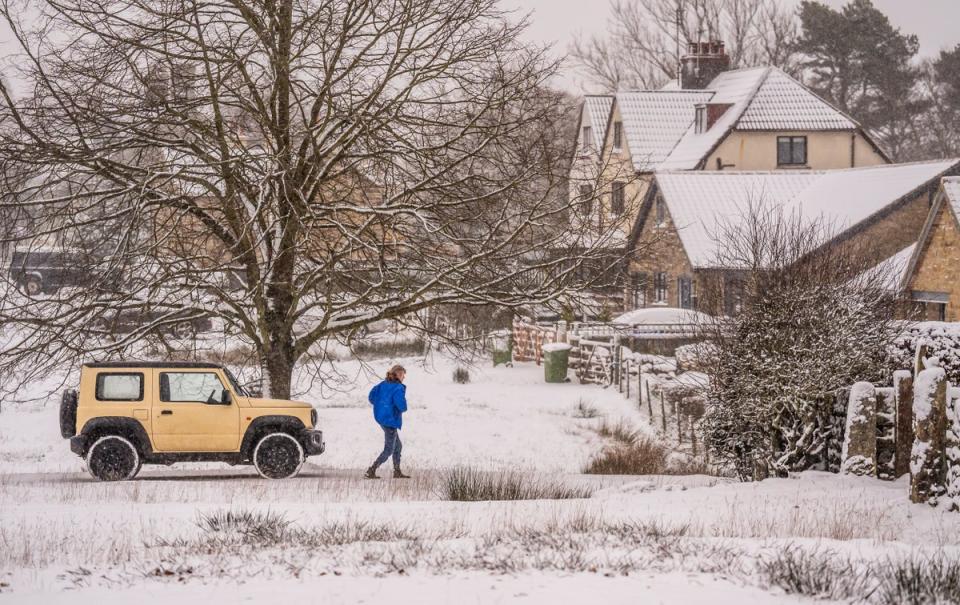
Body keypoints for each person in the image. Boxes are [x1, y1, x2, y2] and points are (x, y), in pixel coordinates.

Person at [365, 364, 410, 479]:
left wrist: (382, 405)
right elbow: (402, 406)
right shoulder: (398, 388)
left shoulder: (382, 384)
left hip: (382, 419)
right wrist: (393, 407)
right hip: (390, 420)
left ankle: (397, 471)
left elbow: (371, 397)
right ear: (398, 374)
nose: (403, 377)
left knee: (398, 446)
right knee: (389, 449)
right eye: (402, 375)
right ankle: (371, 470)